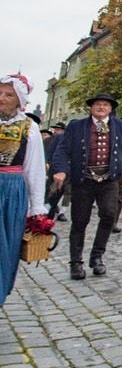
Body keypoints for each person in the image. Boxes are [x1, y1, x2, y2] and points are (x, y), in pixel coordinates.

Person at [52, 92, 122, 280]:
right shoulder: (77, 126)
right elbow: (62, 150)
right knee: (80, 220)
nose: (101, 107)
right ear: (91, 107)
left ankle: (97, 256)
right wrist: (61, 170)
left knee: (108, 215)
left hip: (109, 180)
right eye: (98, 104)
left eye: (105, 105)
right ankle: (75, 262)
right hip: (84, 180)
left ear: (111, 109)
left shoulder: (120, 126)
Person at [0, 74, 47, 306]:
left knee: (6, 245)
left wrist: (37, 207)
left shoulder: (29, 127)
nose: (2, 98)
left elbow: (35, 169)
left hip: (11, 191)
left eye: (8, 94)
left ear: (19, 100)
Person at [44, 122, 67, 221]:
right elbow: (48, 154)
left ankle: (49, 219)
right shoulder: (48, 140)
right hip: (50, 171)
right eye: (55, 129)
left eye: (59, 129)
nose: (56, 131)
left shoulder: (65, 139)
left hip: (63, 173)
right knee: (47, 196)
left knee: (53, 197)